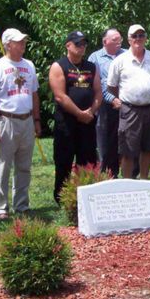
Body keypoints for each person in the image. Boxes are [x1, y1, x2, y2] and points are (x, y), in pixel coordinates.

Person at [0, 28, 42, 220]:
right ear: (8, 44)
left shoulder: (29, 65)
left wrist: (36, 120)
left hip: (26, 119)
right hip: (6, 119)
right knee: (3, 165)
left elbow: (34, 94)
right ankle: (1, 207)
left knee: (24, 165)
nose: (22, 45)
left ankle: (21, 204)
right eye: (18, 42)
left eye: (23, 42)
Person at [107, 24, 150, 180]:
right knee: (128, 150)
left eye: (141, 35)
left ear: (145, 38)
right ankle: (127, 182)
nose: (138, 39)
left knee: (148, 148)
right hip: (130, 110)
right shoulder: (120, 61)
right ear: (129, 40)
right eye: (135, 36)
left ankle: (144, 180)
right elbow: (111, 86)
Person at [49, 30, 102, 204]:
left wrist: (91, 112)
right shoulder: (59, 66)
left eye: (84, 44)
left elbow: (98, 92)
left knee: (87, 160)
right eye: (78, 43)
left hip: (87, 122)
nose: (82, 47)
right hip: (67, 123)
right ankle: (63, 199)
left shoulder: (91, 66)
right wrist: (79, 113)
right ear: (68, 45)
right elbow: (60, 96)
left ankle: (88, 196)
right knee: (64, 161)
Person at [88, 28, 126, 177]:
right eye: (115, 40)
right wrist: (112, 99)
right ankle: (106, 175)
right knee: (105, 142)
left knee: (124, 141)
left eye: (120, 39)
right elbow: (97, 84)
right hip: (105, 106)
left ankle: (124, 174)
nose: (119, 43)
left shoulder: (126, 55)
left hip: (126, 104)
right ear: (105, 41)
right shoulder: (95, 58)